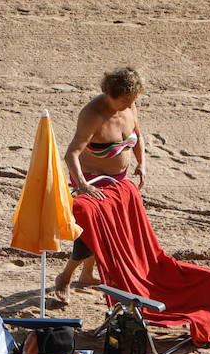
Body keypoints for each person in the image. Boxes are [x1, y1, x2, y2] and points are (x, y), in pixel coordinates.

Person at [52, 66, 147, 306]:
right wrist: (82, 185)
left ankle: (86, 275)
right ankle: (65, 276)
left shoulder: (129, 106)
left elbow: (138, 136)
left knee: (112, 227)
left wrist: (142, 164)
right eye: (126, 99)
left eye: (132, 99)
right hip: (91, 178)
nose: (130, 104)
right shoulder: (92, 114)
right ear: (112, 94)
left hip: (119, 178)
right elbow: (71, 154)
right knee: (94, 226)